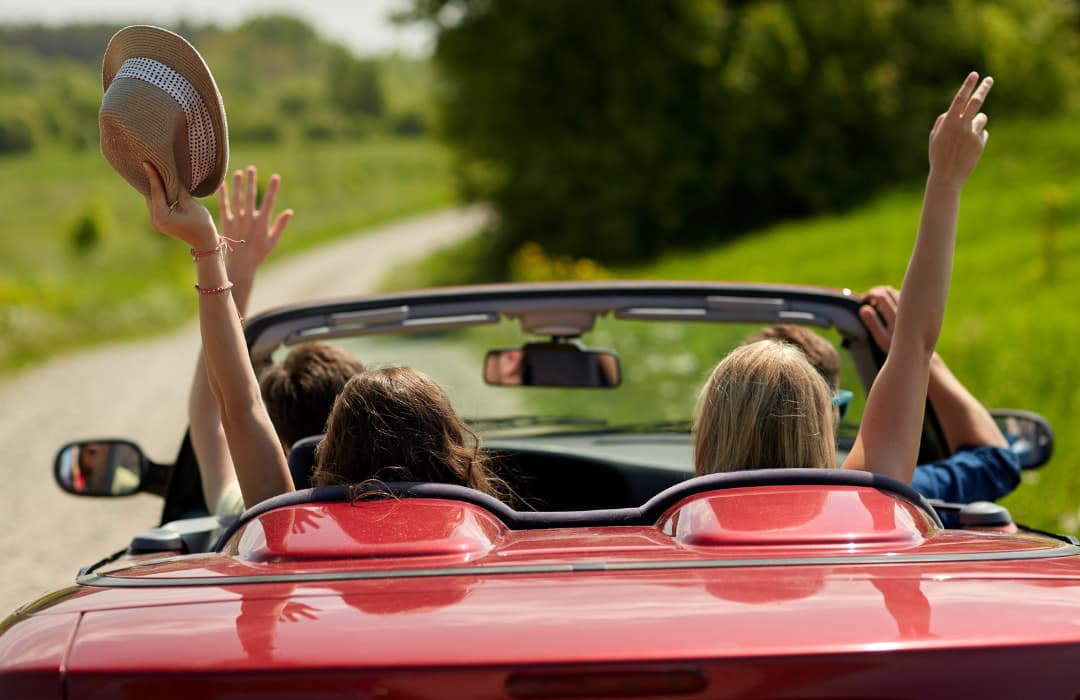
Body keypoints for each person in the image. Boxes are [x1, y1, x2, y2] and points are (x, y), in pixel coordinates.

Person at [142, 164, 509, 510]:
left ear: (327, 450)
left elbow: (238, 406)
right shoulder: (501, 540)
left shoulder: (286, 525)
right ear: (455, 451)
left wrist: (210, 250)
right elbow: (238, 407)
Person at [695, 71, 994, 486]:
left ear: (708, 433)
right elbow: (916, 341)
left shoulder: (667, 528)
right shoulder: (862, 502)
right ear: (821, 423)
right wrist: (945, 178)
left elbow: (917, 343)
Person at [187, 166, 366, 517]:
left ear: (280, 442)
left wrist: (235, 273)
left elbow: (212, 415)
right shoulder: (444, 502)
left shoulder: (259, 513)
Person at [746, 314, 1020, 503]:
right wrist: (924, 357)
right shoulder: (875, 495)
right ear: (828, 415)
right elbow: (995, 463)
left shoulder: (703, 509)